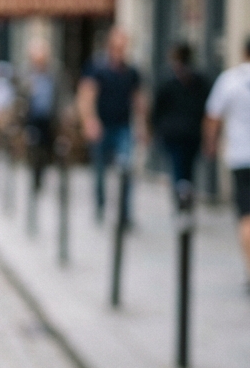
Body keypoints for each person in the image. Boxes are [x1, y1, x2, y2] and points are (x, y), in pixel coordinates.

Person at [77, 27, 145, 222]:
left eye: (124, 46)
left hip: (123, 126)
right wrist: (90, 121)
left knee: (126, 168)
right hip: (102, 126)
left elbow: (138, 100)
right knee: (99, 170)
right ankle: (100, 206)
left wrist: (142, 126)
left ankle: (125, 213)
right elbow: (86, 96)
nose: (120, 49)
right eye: (117, 45)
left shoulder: (131, 71)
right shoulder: (97, 68)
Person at [204, 36, 250, 284]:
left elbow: (213, 115)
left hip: (241, 156)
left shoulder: (231, 80)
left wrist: (210, 143)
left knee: (246, 215)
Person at [152, 43, 211, 195]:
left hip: (177, 132)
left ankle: (182, 192)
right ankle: (185, 190)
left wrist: (156, 129)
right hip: (189, 131)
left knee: (179, 165)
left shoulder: (169, 81)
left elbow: (157, 109)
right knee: (186, 166)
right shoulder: (199, 81)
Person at [21, 39, 58, 195]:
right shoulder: (28, 75)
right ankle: (35, 178)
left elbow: (59, 95)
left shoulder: (54, 74)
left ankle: (41, 175)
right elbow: (22, 96)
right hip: (33, 118)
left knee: (46, 149)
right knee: (34, 149)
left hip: (49, 118)